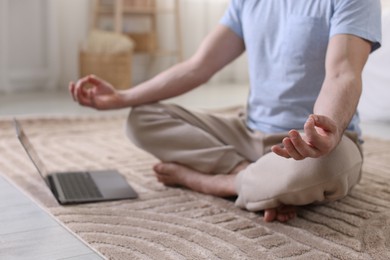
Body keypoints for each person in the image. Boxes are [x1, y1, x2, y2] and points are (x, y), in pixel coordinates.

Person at [70, 0, 382, 222]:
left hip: (314, 144)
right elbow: (198, 67)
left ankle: (216, 183)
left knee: (327, 167)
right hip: (247, 131)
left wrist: (327, 133)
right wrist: (122, 97)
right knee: (140, 119)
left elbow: (342, 72)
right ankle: (250, 176)